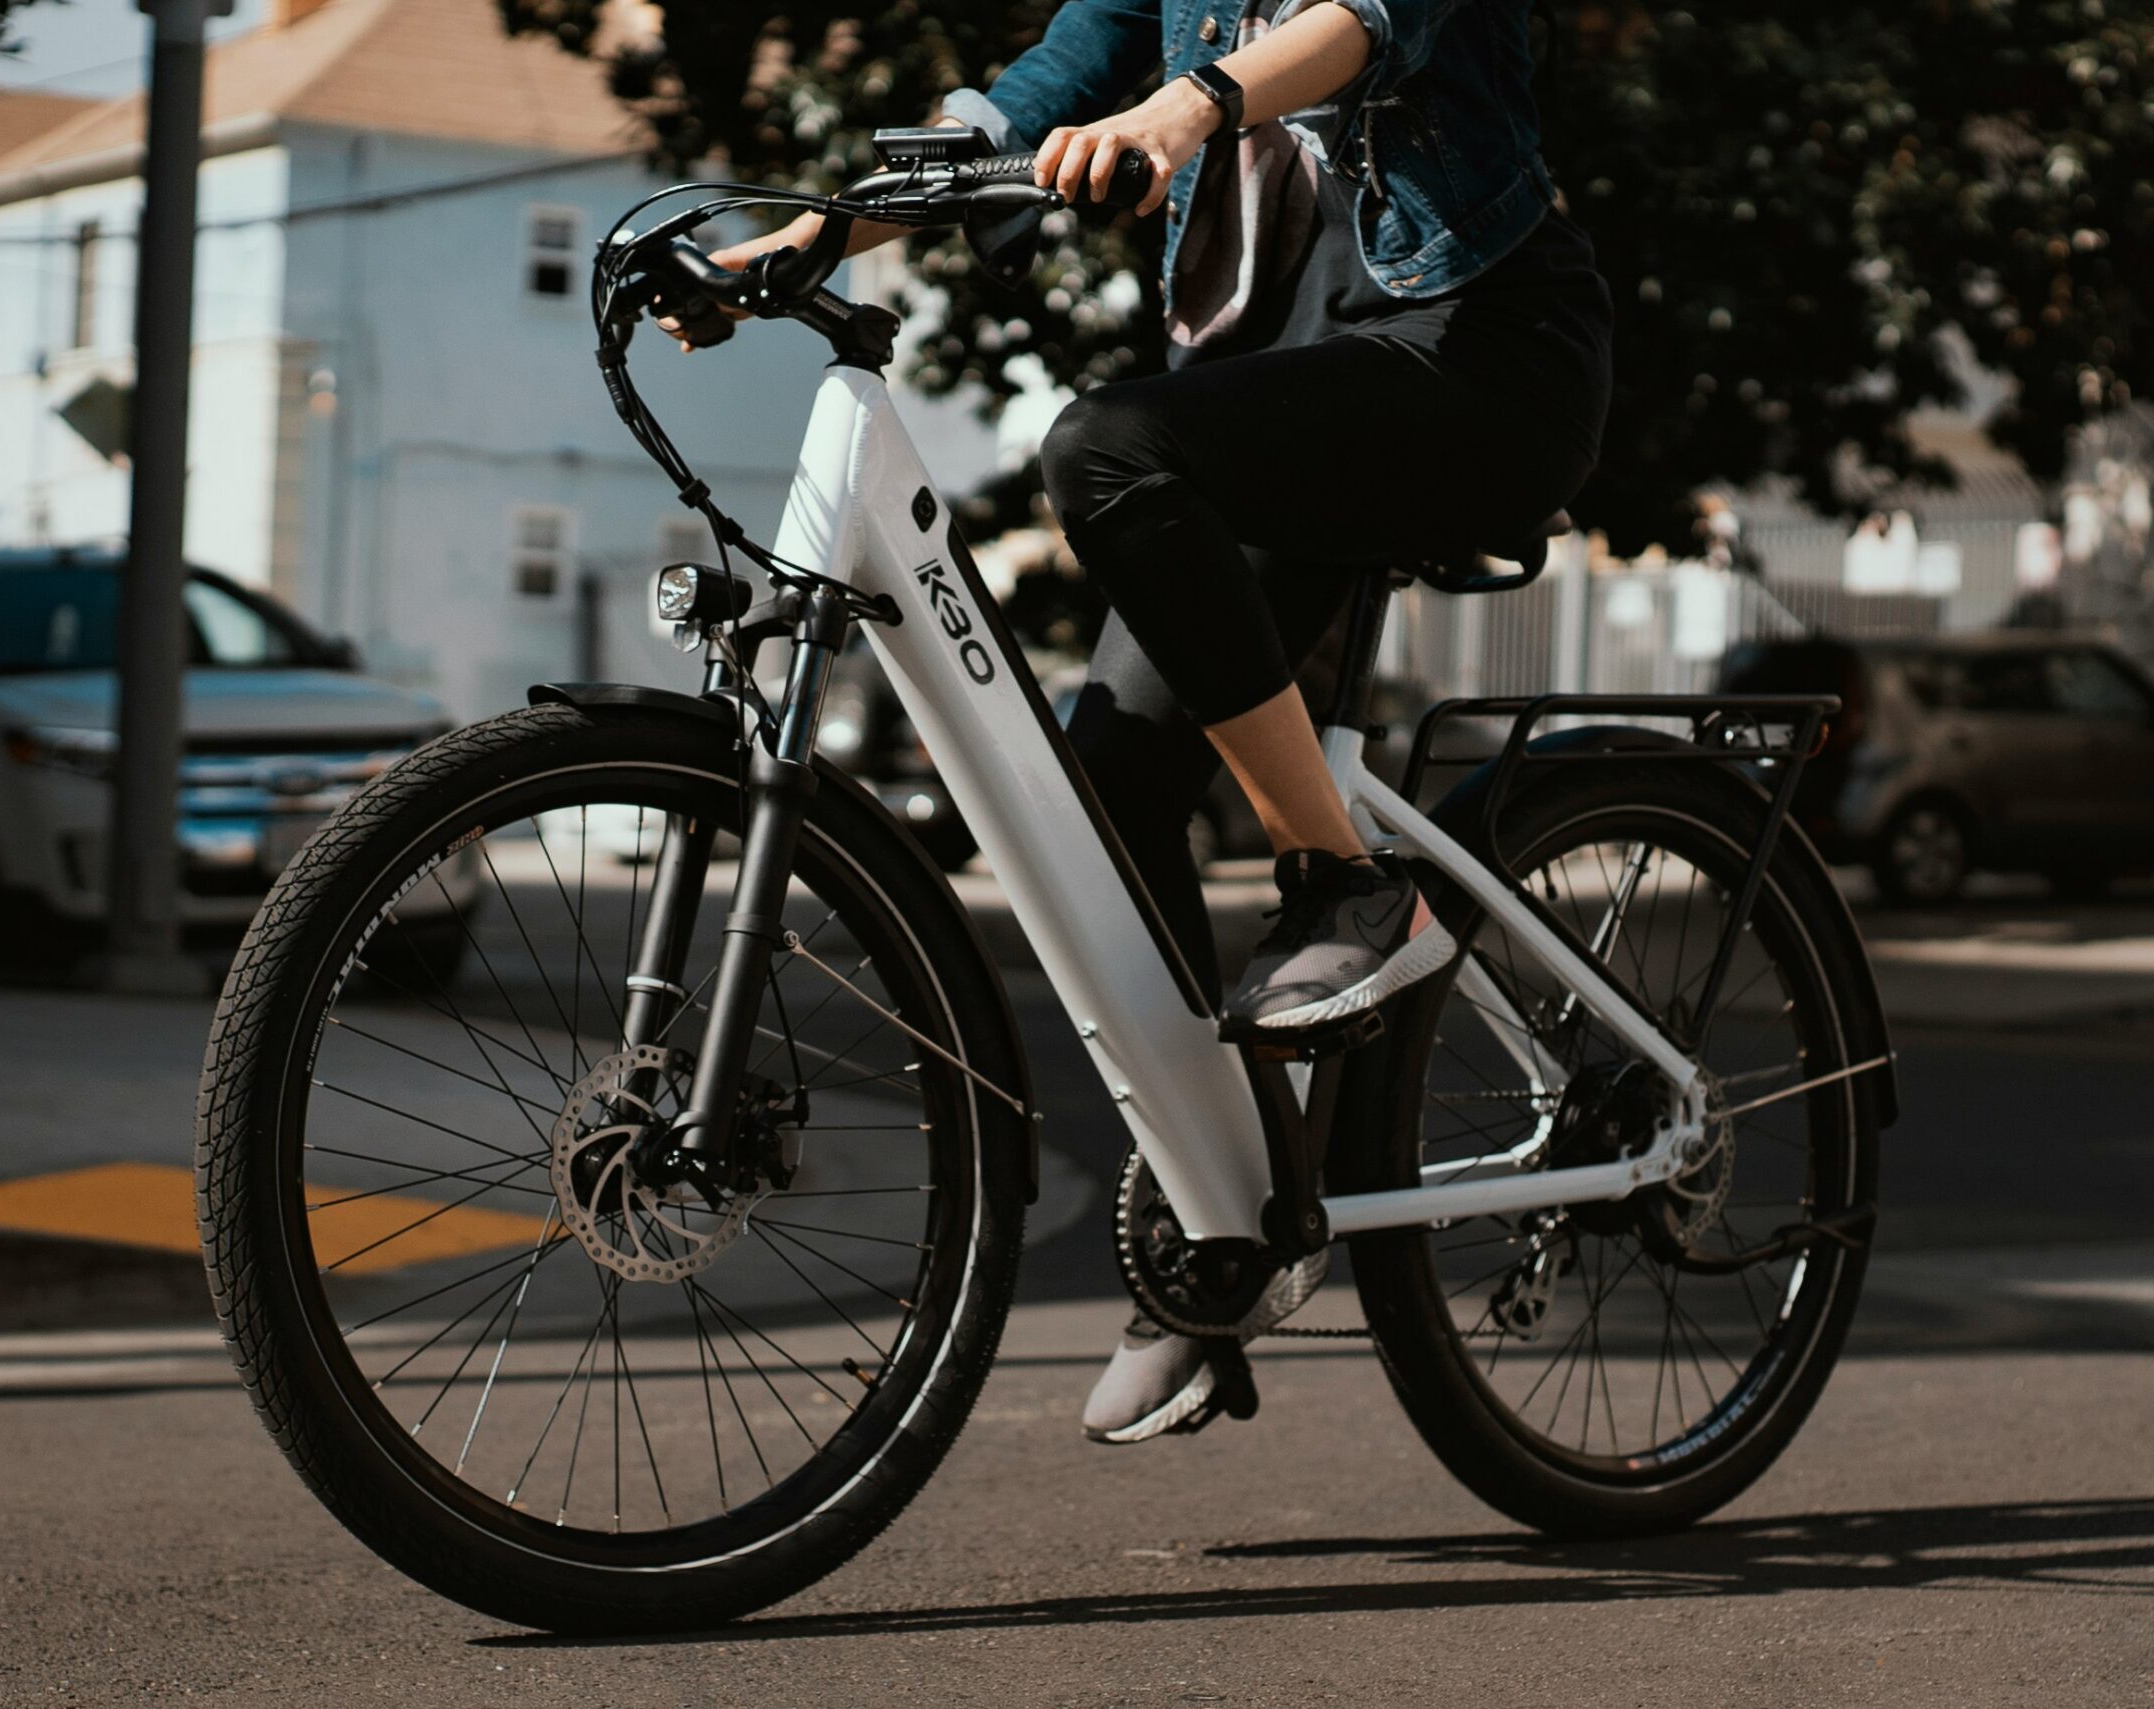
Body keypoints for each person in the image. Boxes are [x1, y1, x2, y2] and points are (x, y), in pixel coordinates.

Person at [664, 0, 1613, 1445]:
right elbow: (1035, 89)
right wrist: (812, 236)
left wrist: (1189, 109)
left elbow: (1371, 17)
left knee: (1104, 446)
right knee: (1107, 778)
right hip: (1276, 382)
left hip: (1476, 352)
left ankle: (1347, 884)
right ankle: (1230, 1223)